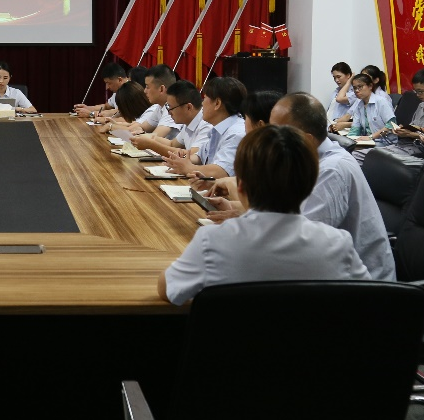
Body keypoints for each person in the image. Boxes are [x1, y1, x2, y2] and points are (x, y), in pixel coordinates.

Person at [158, 124, 370, 305]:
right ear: (309, 186)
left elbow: (167, 289)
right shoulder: (337, 243)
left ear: (240, 187)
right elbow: (370, 300)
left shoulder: (213, 240)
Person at [273, 93, 396, 281]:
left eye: (277, 134)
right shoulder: (307, 160)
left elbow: (301, 241)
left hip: (363, 286)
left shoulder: (332, 170)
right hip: (332, 272)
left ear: (306, 140)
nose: (270, 141)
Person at [165, 76, 246, 181]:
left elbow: (221, 171)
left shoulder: (236, 133)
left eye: (205, 98)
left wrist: (189, 168)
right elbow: (200, 156)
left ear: (217, 103)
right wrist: (182, 160)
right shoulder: (218, 128)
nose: (202, 103)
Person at [131, 80, 209, 157]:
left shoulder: (206, 125)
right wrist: (148, 137)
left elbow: (191, 156)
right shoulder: (189, 122)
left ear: (188, 107)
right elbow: (172, 144)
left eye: (171, 108)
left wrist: (151, 144)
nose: (169, 113)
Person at [125, 65, 180, 138]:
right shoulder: (160, 107)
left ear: (161, 89)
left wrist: (141, 133)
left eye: (147, 87)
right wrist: (140, 129)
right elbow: (142, 126)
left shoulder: (173, 108)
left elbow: (154, 138)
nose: (145, 91)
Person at [347, 73, 397, 148]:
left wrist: (371, 137)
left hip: (385, 142)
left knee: (356, 152)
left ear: (370, 86)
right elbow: (355, 128)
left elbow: (391, 125)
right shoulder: (359, 105)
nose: (357, 90)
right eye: (354, 88)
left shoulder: (381, 101)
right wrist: (348, 141)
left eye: (360, 87)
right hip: (369, 141)